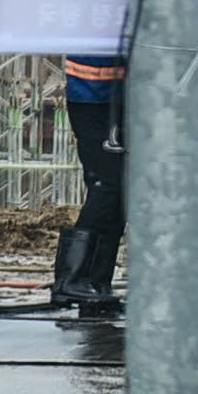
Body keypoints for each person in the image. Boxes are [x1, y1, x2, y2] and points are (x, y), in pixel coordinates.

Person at [50, 55, 126, 314]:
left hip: (115, 98)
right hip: (92, 100)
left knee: (119, 191)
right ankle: (71, 278)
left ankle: (97, 285)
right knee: (107, 185)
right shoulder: (97, 17)